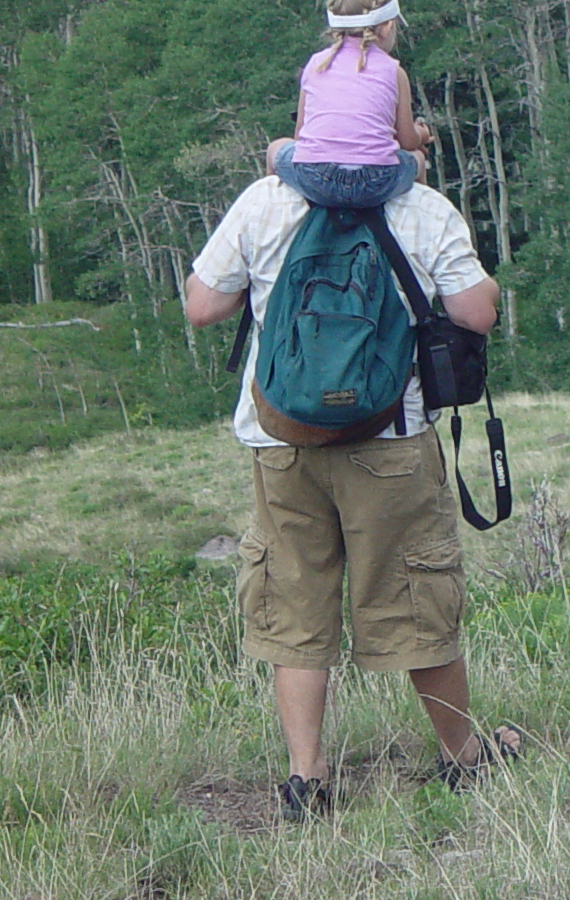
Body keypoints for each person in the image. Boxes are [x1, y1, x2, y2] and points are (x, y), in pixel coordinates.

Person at [183, 157, 512, 819]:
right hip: (390, 440)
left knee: (293, 599)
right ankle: (461, 756)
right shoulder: (421, 207)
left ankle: (308, 781)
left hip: (283, 439)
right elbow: (477, 313)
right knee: (418, 591)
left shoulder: (266, 201)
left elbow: (203, 306)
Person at [266, 0, 439, 210]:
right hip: (375, 182)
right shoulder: (394, 71)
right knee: (416, 159)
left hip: (316, 179)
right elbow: (407, 141)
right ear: (387, 27)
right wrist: (421, 134)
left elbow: (300, 136)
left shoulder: (316, 63)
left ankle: (276, 214)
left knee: (276, 148)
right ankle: (422, 220)